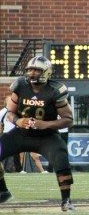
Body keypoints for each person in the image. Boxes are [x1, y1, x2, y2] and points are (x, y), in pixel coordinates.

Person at [0, 56, 75, 212]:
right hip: (21, 134)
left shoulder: (55, 90)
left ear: (46, 72)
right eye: (29, 70)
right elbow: (10, 113)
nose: (32, 73)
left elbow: (68, 120)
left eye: (36, 70)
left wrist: (45, 124)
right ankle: (2, 192)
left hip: (46, 137)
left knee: (61, 160)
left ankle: (66, 200)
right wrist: (18, 121)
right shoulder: (20, 85)